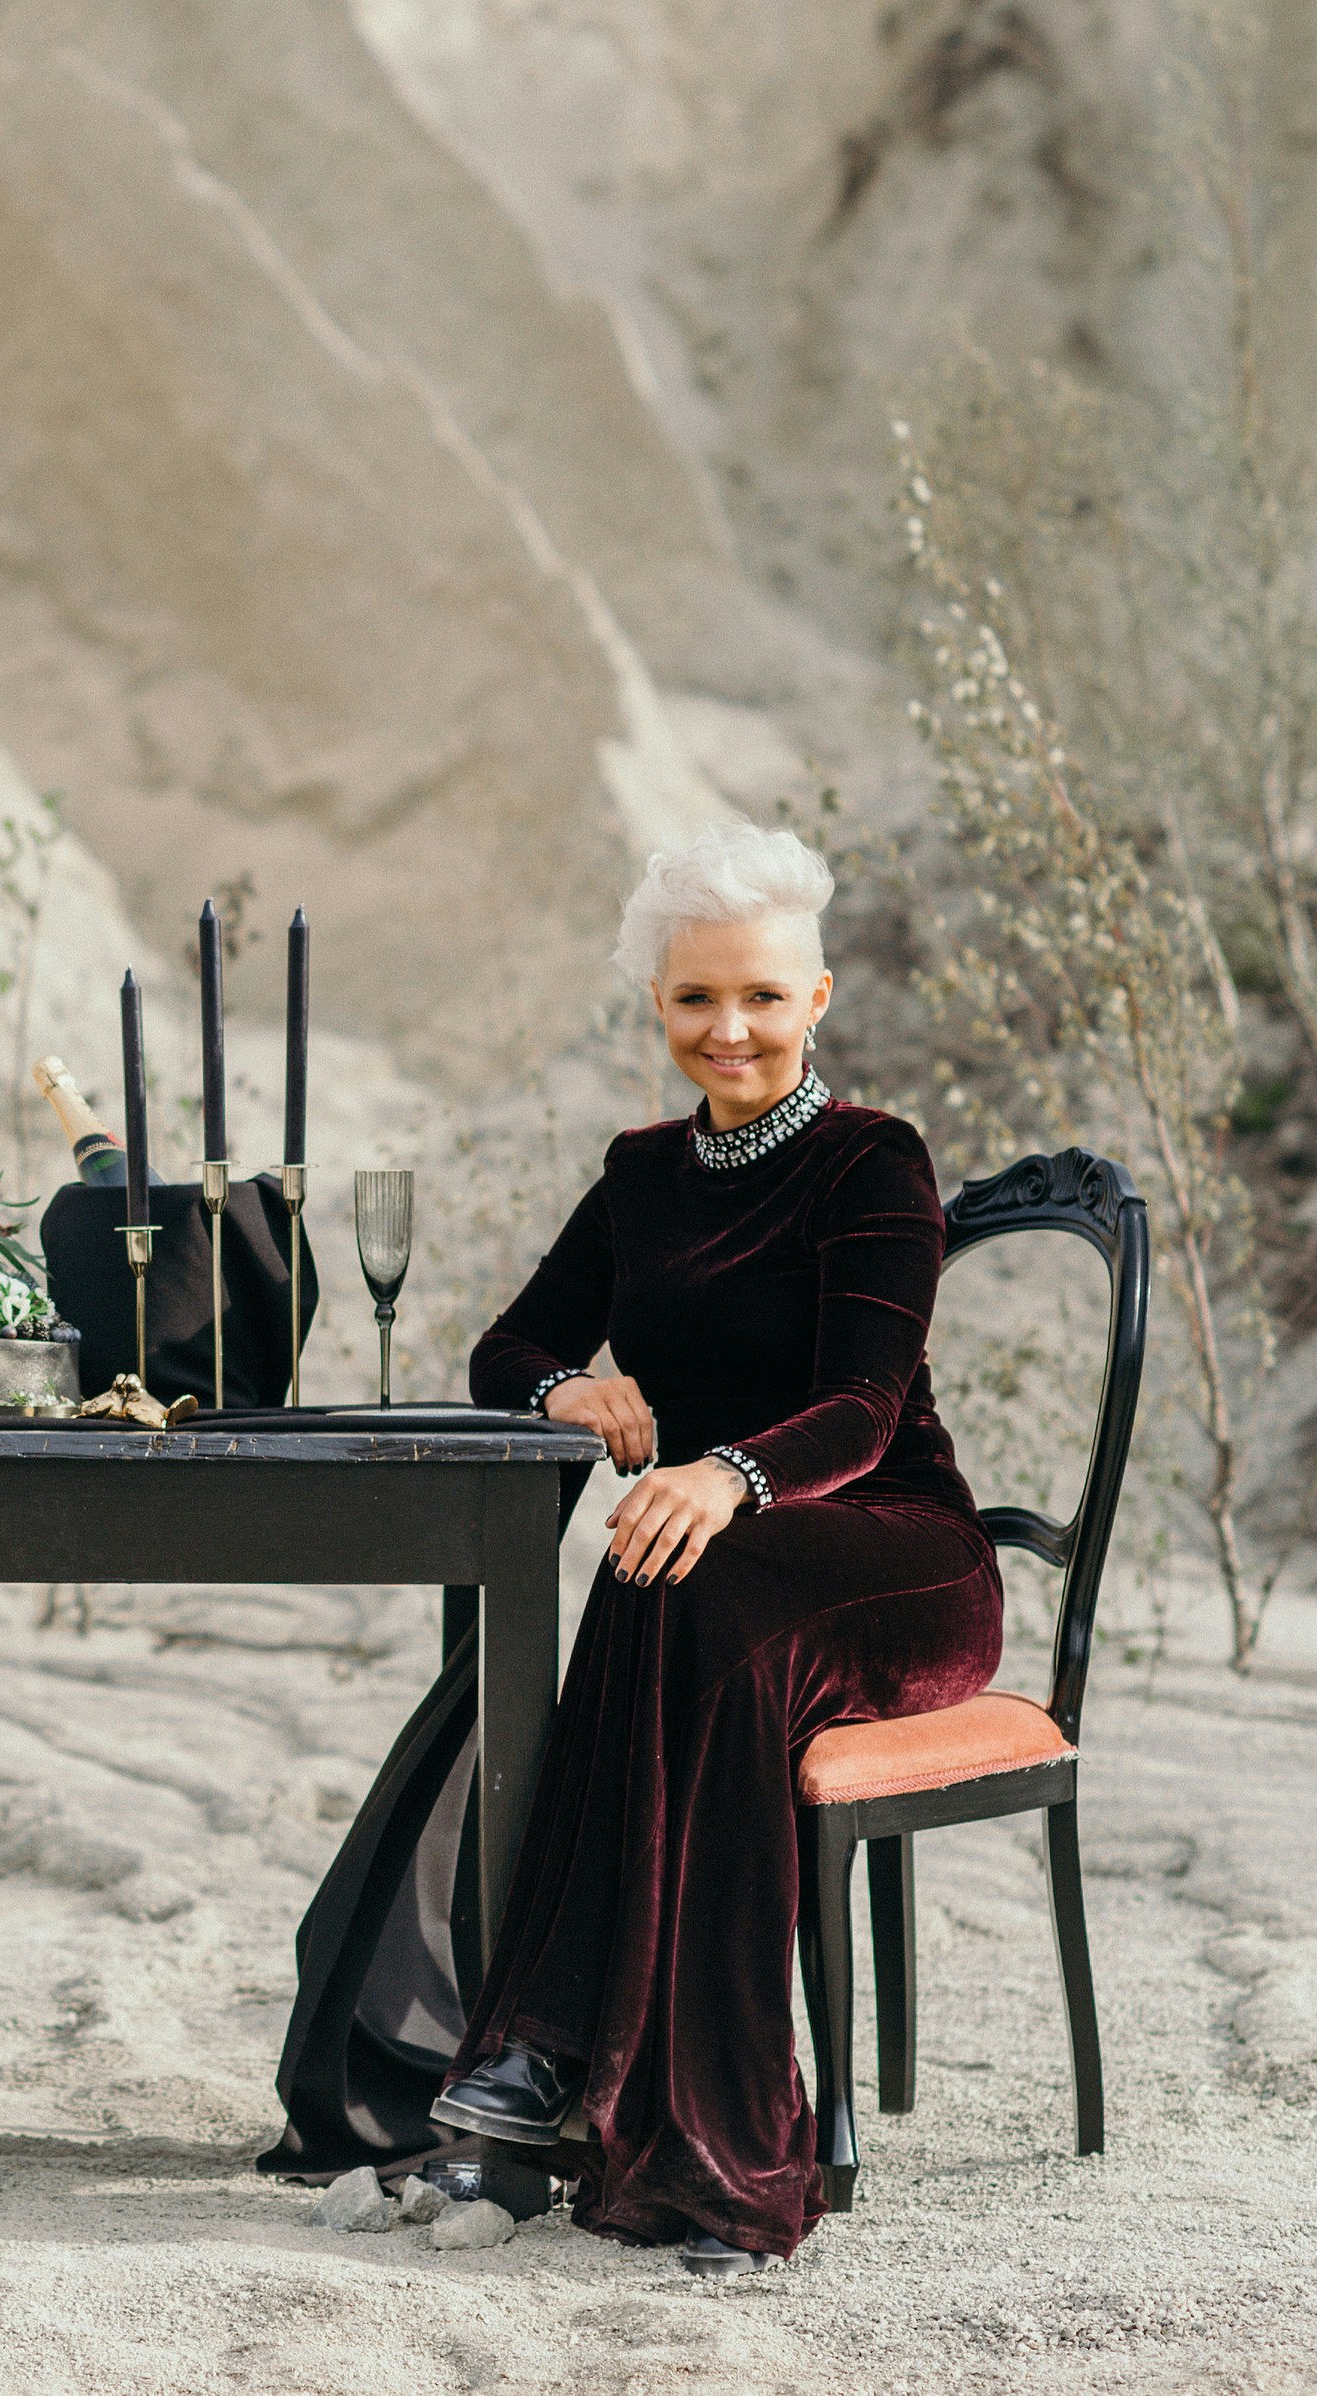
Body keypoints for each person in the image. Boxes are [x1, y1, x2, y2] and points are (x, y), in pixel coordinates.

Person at [426, 822, 1001, 2272]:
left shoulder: (877, 1159)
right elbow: (510, 1341)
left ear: (815, 1001)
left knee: (688, 1567)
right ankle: (567, 2055)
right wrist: (572, 1385)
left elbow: (865, 1413)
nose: (727, 1029)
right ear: (658, 1009)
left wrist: (729, 1473)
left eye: (759, 997)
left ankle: (676, 2118)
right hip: (717, 1549)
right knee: (671, 1565)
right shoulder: (640, 1175)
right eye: (695, 1000)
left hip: (896, 1551)